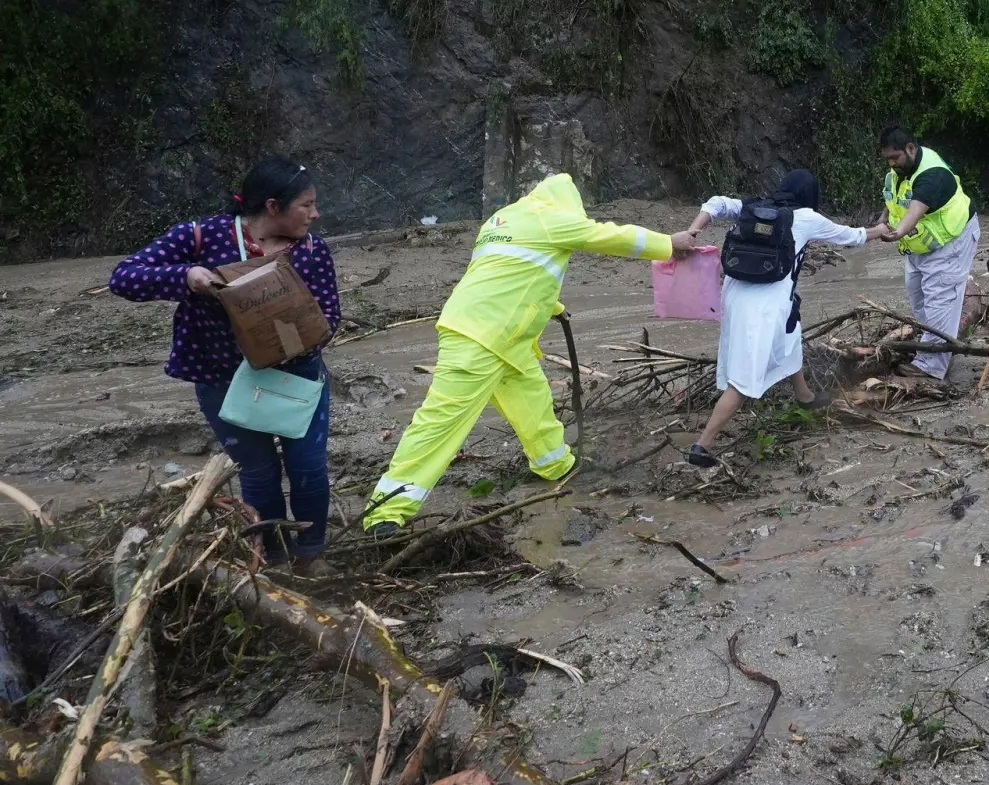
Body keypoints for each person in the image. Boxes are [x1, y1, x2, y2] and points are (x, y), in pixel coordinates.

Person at [363, 173, 697, 535]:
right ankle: (385, 511)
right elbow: (607, 236)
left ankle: (555, 466)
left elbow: (513, 274)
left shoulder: (502, 220)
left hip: (500, 336)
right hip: (482, 338)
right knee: (441, 423)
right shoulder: (551, 218)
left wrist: (553, 306)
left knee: (533, 403)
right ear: (568, 203)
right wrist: (668, 243)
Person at [110, 157, 340, 576]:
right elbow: (124, 277)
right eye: (306, 205)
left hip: (296, 375)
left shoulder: (312, 250)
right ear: (273, 206)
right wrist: (186, 276)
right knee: (258, 471)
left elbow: (330, 316)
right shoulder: (201, 238)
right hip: (223, 377)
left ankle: (311, 553)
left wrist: (298, 336)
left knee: (308, 465)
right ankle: (273, 557)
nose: (315, 214)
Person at [681, 170, 889, 467]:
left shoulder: (754, 206)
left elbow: (716, 203)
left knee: (790, 337)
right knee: (745, 378)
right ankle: (702, 446)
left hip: (735, 295)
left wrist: (693, 231)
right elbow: (851, 237)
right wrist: (879, 230)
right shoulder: (805, 218)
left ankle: (804, 396)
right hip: (765, 306)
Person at [877, 126, 980, 379]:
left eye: (895, 157)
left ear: (911, 148)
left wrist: (897, 232)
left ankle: (930, 367)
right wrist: (882, 219)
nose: (891, 164)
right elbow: (894, 200)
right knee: (918, 298)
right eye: (887, 159)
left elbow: (914, 210)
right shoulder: (899, 170)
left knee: (939, 300)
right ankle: (940, 341)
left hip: (951, 241)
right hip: (920, 246)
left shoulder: (932, 174)